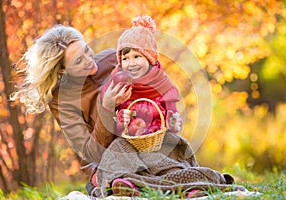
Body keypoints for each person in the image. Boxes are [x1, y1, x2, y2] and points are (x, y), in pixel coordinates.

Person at [95, 16, 245, 198]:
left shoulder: (162, 84)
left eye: (137, 56)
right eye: (125, 58)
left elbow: (172, 118)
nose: (131, 63)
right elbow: (114, 123)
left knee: (164, 162)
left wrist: (173, 121)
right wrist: (121, 119)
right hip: (131, 142)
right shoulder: (120, 83)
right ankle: (127, 183)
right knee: (116, 152)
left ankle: (190, 185)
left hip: (158, 140)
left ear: (150, 59)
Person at [10, 25, 131, 187]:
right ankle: (117, 184)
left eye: (87, 50)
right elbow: (91, 151)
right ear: (62, 71)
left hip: (140, 136)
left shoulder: (111, 58)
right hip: (104, 156)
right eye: (78, 61)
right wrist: (107, 107)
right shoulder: (61, 100)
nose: (89, 61)